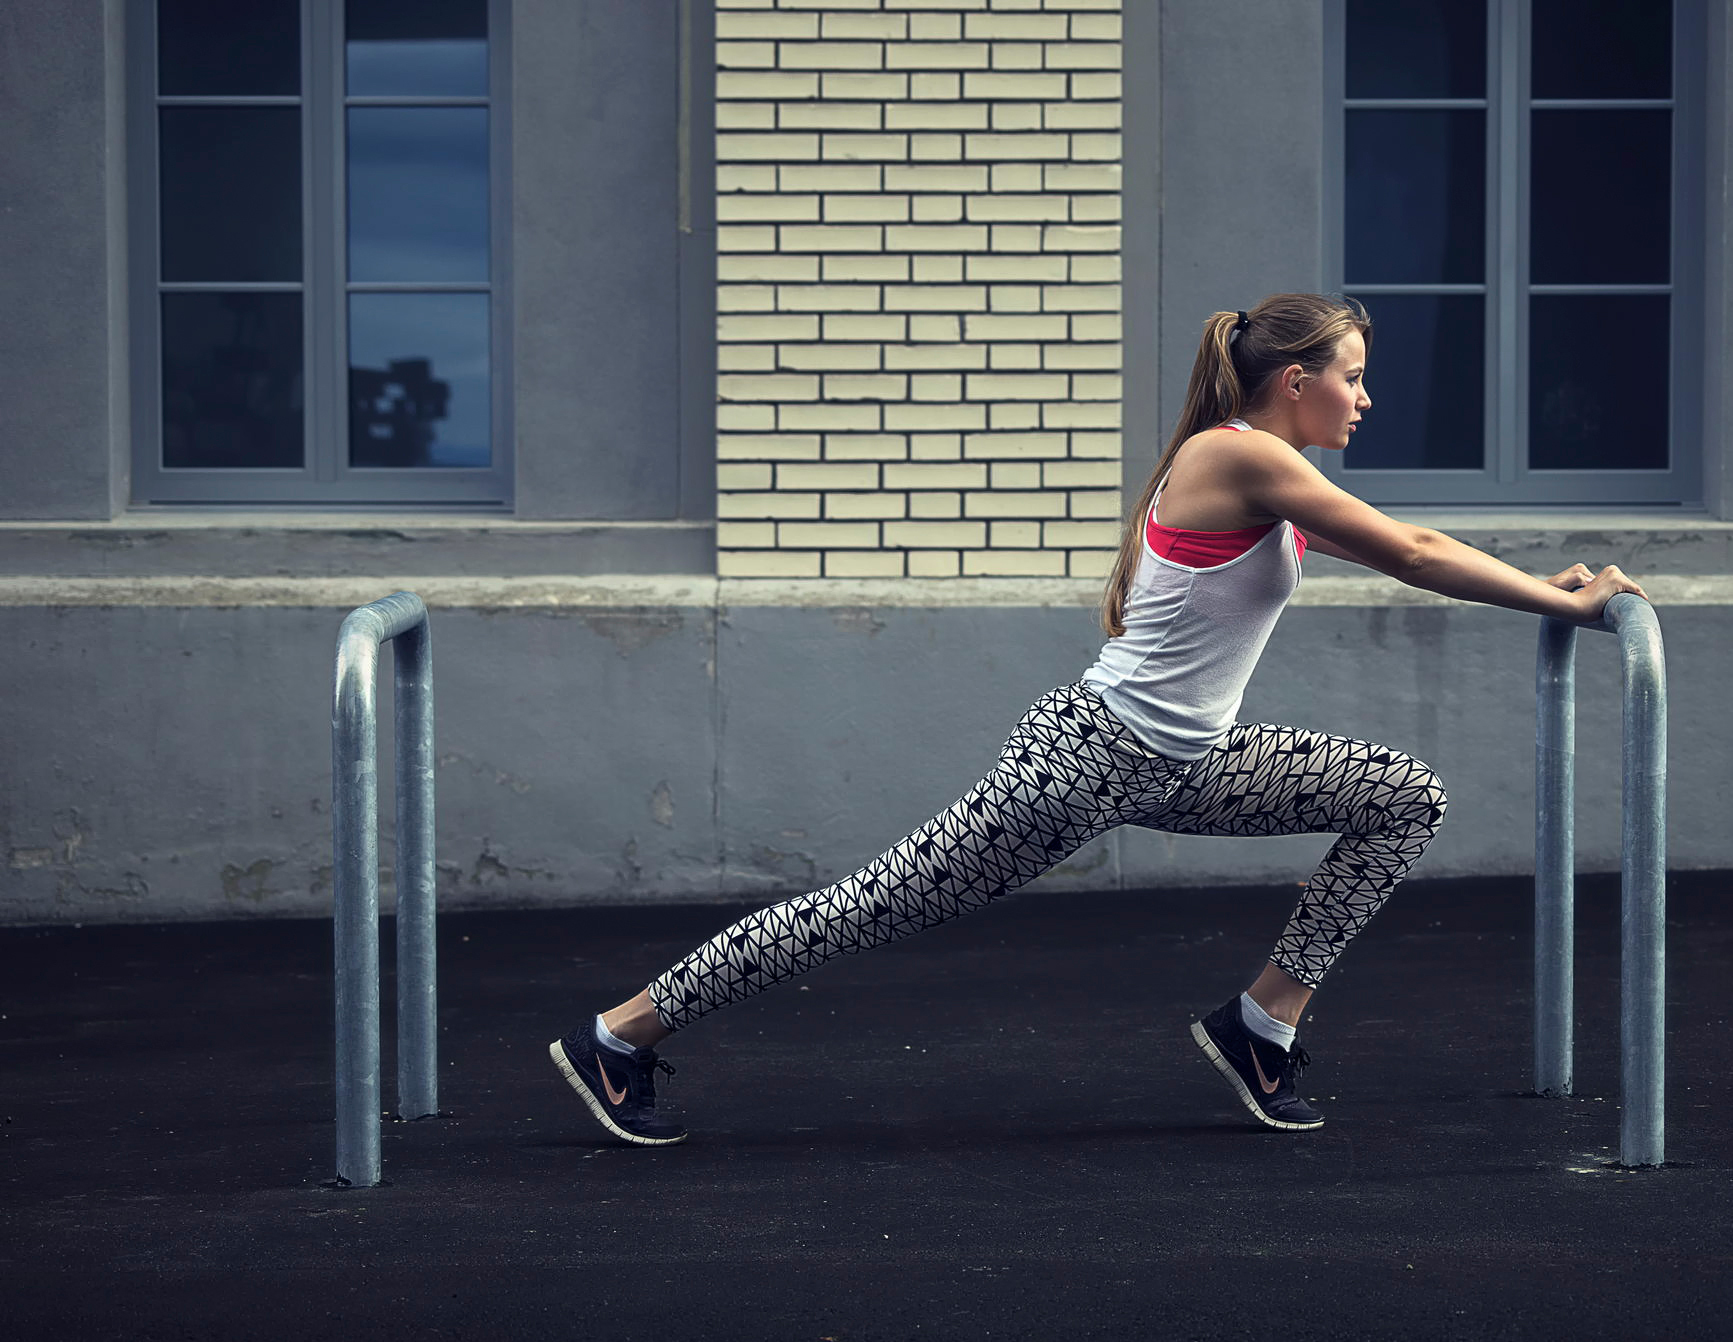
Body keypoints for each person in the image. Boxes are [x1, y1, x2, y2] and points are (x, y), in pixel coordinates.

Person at [549, 292, 1646, 1145]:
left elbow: (1411, 547)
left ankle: (1261, 1022)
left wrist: (1546, 591)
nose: (1365, 399)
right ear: (1295, 379)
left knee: (1401, 797)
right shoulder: (1236, 453)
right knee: (870, 908)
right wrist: (1561, 604)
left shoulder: (1270, 464)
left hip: (1188, 760)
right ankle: (619, 1035)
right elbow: (1409, 553)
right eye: (1352, 379)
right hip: (1084, 762)